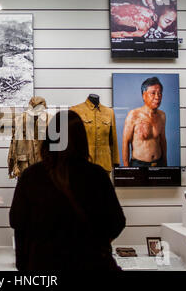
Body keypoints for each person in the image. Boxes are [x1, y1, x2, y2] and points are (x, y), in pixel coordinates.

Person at [9, 111, 126, 270]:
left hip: (44, 265)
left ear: (49, 138)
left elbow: (18, 223)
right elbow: (116, 222)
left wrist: (25, 266)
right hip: (89, 266)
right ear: (82, 140)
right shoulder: (96, 175)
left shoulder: (32, 176)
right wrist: (93, 244)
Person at [122, 77, 167, 167]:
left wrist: (165, 163)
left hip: (158, 163)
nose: (157, 97)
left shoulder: (162, 115)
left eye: (160, 93)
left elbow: (162, 141)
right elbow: (125, 142)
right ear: (144, 95)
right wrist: (126, 170)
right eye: (153, 93)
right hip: (139, 165)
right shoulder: (133, 115)